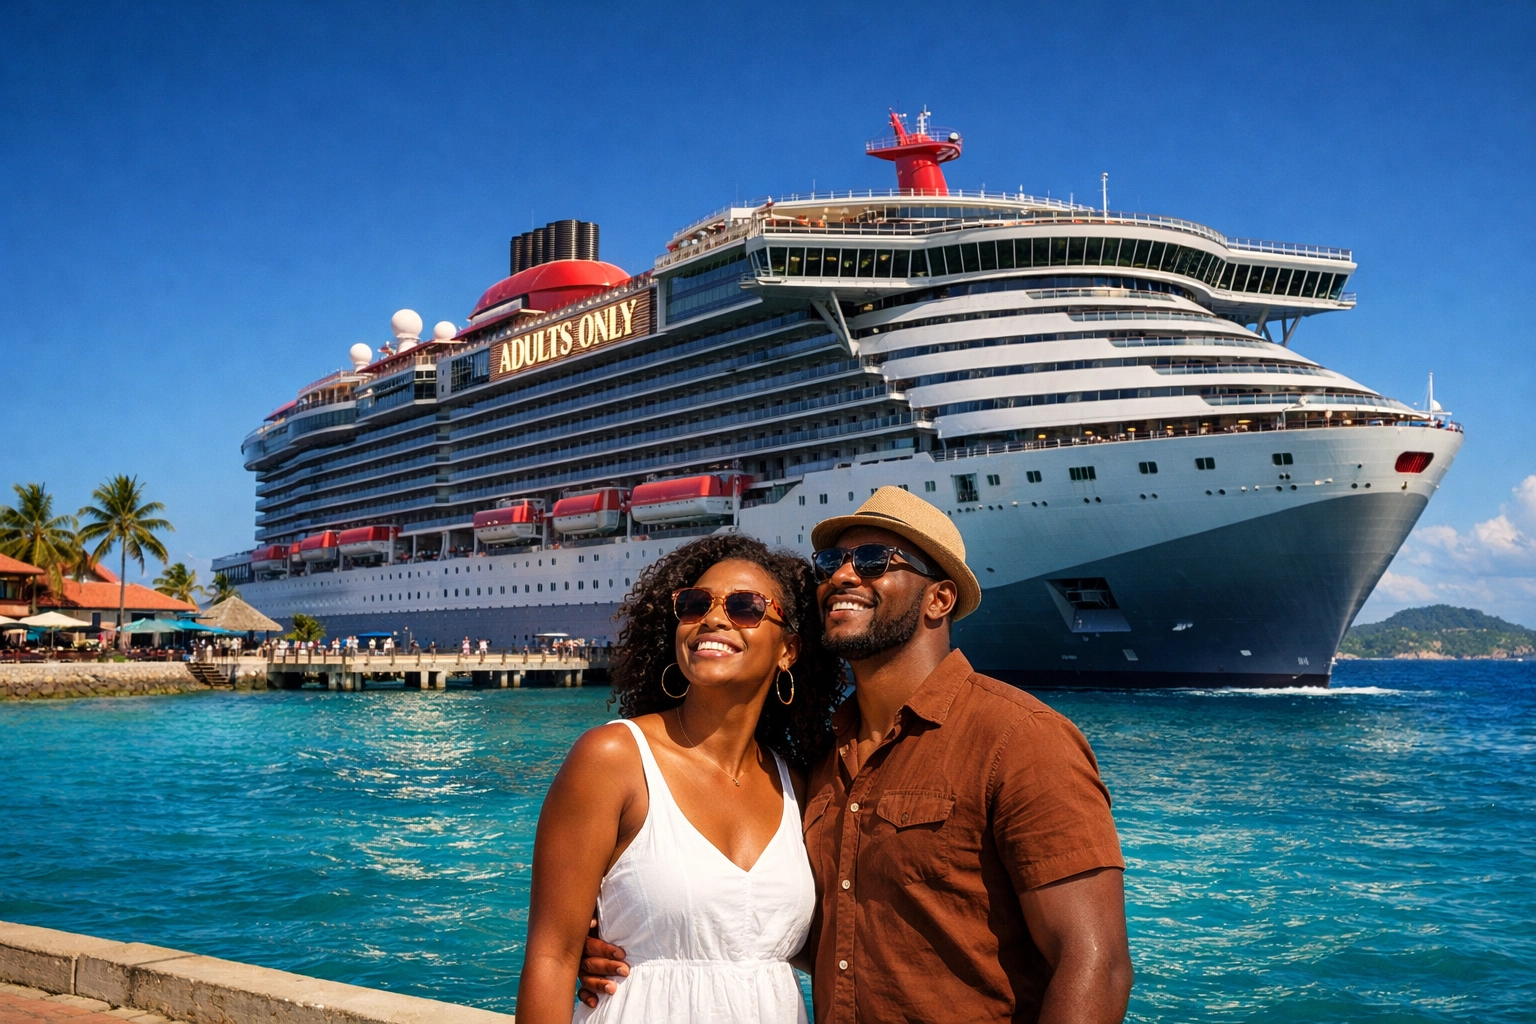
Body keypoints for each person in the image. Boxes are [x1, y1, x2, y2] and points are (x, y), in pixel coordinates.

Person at [582, 486, 1133, 1023]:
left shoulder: (1020, 739)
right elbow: (813, 931)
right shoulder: (820, 761)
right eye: (831, 562)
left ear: (939, 599)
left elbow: (1097, 965)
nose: (842, 577)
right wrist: (638, 935)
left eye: (873, 560)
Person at [517, 535, 844, 1024]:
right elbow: (551, 958)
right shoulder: (613, 759)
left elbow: (815, 946)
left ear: (788, 650)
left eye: (745, 607)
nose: (712, 619)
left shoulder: (796, 785)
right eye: (695, 604)